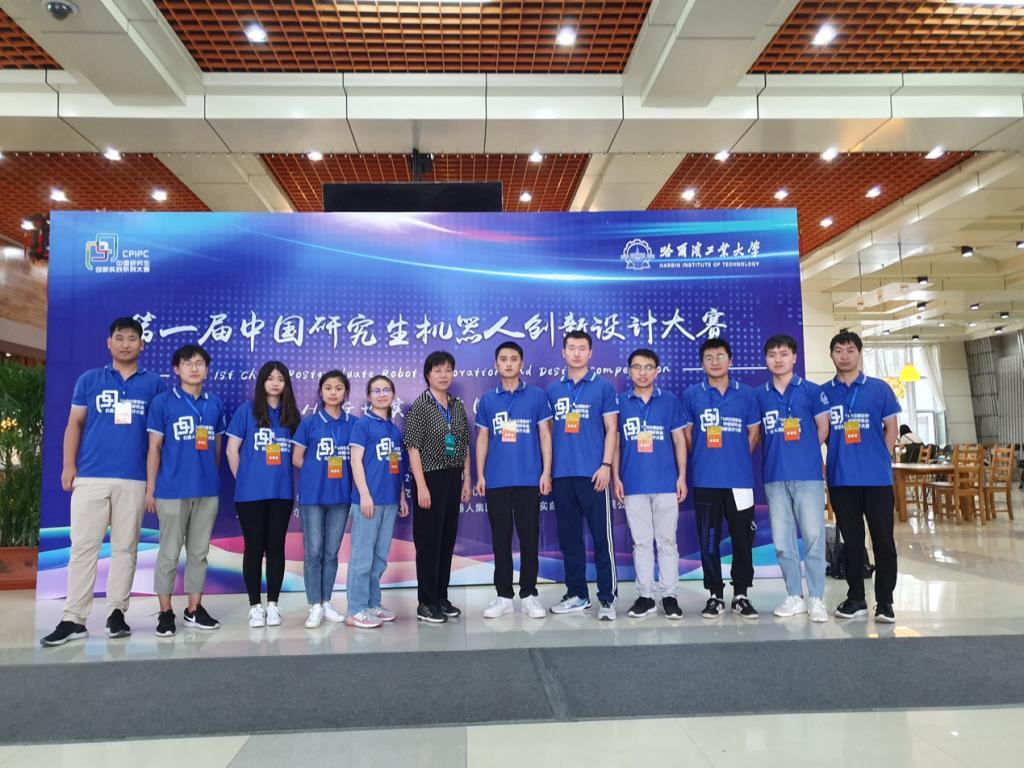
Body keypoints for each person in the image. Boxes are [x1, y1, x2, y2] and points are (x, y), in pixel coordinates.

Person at [41, 317, 165, 647]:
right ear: (109, 343)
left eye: (132, 339)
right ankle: (73, 618)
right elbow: (74, 424)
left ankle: (116, 613)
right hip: (91, 477)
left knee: (125, 549)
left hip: (134, 479)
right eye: (119, 338)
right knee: (83, 548)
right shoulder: (90, 380)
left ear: (142, 344)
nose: (125, 344)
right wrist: (69, 465)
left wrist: (153, 484)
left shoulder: (154, 385)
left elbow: (158, 439)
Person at [145, 344, 227, 637]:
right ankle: (165, 612)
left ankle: (194, 609)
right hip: (171, 490)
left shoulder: (214, 404)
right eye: (188, 363)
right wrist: (150, 489)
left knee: (199, 553)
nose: (194, 368)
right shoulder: (163, 402)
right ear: (176, 369)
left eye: (200, 363)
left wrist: (207, 476)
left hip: (206, 491)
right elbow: (154, 448)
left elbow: (217, 448)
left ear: (206, 369)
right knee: (168, 553)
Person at [822, 331, 901, 624]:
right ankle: (856, 598)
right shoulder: (823, 393)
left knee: (883, 541)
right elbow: (821, 431)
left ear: (859, 353)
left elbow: (891, 428)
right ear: (831, 355)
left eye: (850, 350)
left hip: (877, 479)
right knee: (853, 543)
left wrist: (881, 456)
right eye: (839, 350)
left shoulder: (879, 389)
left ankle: (885, 602)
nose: (844, 355)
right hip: (842, 479)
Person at [681, 337, 761, 621]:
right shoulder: (692, 394)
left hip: (740, 481)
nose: (715, 362)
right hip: (705, 480)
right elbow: (688, 434)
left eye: (720, 356)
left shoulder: (746, 394)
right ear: (702, 364)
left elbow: (753, 433)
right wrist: (705, 457)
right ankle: (714, 594)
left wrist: (735, 456)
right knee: (709, 540)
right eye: (709, 358)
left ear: (730, 360)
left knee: (742, 538)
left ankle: (741, 594)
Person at [474, 342, 553, 619]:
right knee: (501, 540)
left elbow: (545, 435)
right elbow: (482, 439)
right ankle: (504, 596)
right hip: (496, 480)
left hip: (529, 479)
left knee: (529, 539)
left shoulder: (537, 396)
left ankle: (529, 594)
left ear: (522, 364)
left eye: (514, 359)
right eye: (503, 359)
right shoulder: (487, 400)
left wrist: (546, 472)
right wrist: (480, 474)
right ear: (496, 364)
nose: (508, 363)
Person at [755, 335, 830, 624]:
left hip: (808, 476)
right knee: (782, 541)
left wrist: (806, 451)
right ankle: (794, 596)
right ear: (766, 359)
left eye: (784, 354)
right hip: (774, 476)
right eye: (772, 354)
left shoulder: (811, 391)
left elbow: (823, 428)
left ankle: (817, 598)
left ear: (794, 357)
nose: (778, 359)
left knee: (813, 537)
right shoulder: (759, 395)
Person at [546, 331, 619, 620]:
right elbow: (547, 433)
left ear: (590, 353)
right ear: (563, 353)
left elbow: (612, 429)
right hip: (562, 475)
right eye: (572, 348)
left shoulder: (603, 387)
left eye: (582, 348)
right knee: (570, 540)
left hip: (594, 474)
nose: (576, 353)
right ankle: (577, 594)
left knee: (602, 540)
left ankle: (608, 599)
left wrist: (606, 465)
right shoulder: (553, 389)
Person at [612, 348, 687, 620]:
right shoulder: (620, 402)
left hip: (666, 483)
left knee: (667, 542)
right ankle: (645, 596)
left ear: (657, 371)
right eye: (637, 367)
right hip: (633, 483)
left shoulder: (669, 401)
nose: (642, 372)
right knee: (641, 543)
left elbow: (679, 440)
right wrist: (616, 477)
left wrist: (681, 476)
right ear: (629, 371)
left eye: (648, 367)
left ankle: (670, 596)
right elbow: (615, 442)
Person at [225, 361, 301, 628]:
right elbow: (231, 449)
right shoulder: (247, 410)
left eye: (280, 378)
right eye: (270, 378)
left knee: (276, 547)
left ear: (286, 383)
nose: (275, 383)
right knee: (254, 548)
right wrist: (244, 479)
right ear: (262, 382)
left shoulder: (291, 414)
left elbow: (300, 453)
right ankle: (255, 606)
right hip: (250, 495)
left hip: (281, 493)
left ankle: (273, 605)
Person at [404, 351, 473, 624]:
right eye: (437, 371)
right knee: (428, 543)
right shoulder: (420, 406)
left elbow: (464, 443)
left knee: (446, 540)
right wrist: (421, 486)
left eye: (448, 370)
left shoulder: (456, 405)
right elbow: (412, 448)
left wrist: (467, 478)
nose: (443, 375)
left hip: (453, 477)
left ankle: (441, 597)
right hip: (429, 478)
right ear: (427, 375)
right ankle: (426, 602)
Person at [347, 375, 409, 628]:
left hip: (389, 501)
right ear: (369, 396)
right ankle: (355, 609)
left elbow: (397, 466)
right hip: (368, 501)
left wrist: (401, 495)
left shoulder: (394, 430)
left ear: (393, 395)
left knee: (379, 557)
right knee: (362, 558)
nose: (382, 394)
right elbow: (355, 461)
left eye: (386, 390)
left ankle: (372, 603)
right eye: (376, 390)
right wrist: (364, 494)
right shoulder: (362, 425)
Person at [292, 370, 353, 629]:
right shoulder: (309, 423)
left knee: (331, 552)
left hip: (341, 497)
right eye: (328, 388)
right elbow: (297, 458)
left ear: (345, 392)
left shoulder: (354, 423)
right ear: (321, 391)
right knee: (314, 551)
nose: (333, 392)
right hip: (313, 497)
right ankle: (314, 605)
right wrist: (316, 474)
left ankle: (326, 601)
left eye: (338, 388)